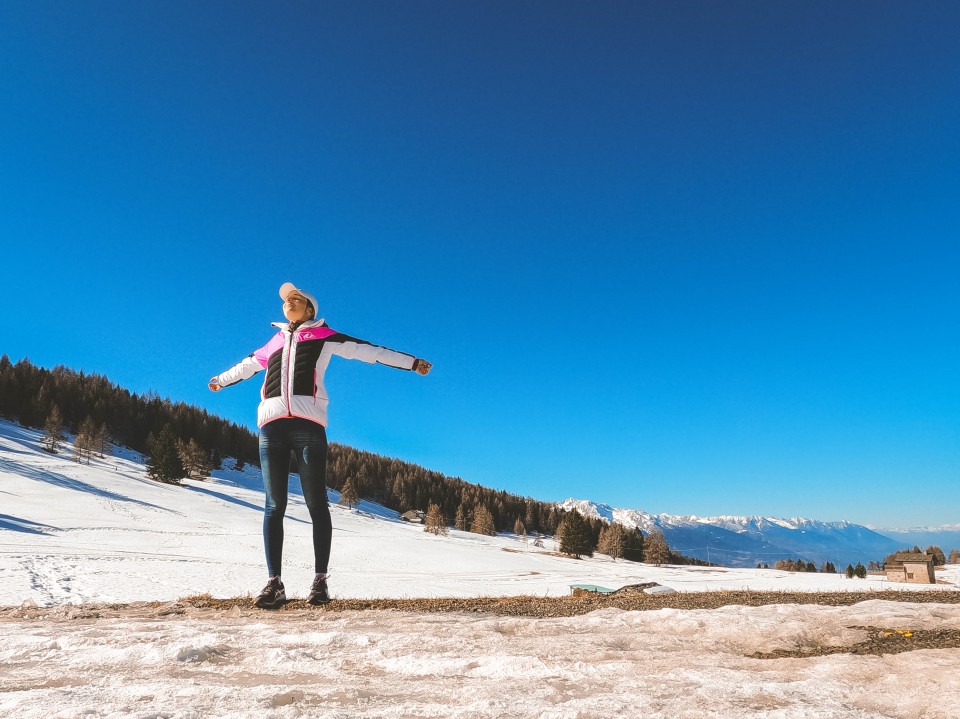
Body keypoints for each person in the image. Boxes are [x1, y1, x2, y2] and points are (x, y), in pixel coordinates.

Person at [209, 282, 431, 608]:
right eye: (286, 300)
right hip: (271, 428)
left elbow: (367, 350)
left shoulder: (323, 336)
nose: (288, 302)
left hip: (308, 427)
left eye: (295, 299)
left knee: (316, 504)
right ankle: (274, 584)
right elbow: (246, 366)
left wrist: (410, 362)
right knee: (274, 505)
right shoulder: (273, 342)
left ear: (310, 309)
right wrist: (220, 379)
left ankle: (320, 582)